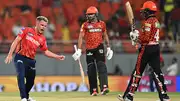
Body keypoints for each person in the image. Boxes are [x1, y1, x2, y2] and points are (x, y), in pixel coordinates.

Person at [117, 1, 170, 101]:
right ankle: (164, 96)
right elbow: (149, 37)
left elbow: (145, 38)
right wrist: (137, 38)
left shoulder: (148, 22)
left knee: (137, 72)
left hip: (147, 49)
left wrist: (136, 37)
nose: (142, 13)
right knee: (157, 72)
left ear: (147, 11)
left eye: (144, 11)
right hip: (156, 48)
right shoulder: (156, 22)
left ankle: (130, 96)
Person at [4, 16, 65, 101]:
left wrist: (57, 56)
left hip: (31, 61)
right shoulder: (26, 30)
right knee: (20, 75)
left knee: (31, 82)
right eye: (42, 25)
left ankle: (27, 97)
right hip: (20, 57)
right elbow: (16, 41)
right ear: (37, 23)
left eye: (45, 26)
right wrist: (10, 54)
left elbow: (46, 51)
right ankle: (24, 98)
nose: (43, 27)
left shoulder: (42, 39)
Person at [72, 6, 113, 96]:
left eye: (91, 14)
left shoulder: (102, 24)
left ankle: (104, 87)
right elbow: (81, 37)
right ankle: (93, 90)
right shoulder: (85, 25)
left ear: (96, 14)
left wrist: (109, 47)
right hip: (89, 48)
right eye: (88, 15)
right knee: (91, 69)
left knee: (101, 66)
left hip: (99, 47)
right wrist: (79, 50)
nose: (89, 16)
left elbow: (105, 35)